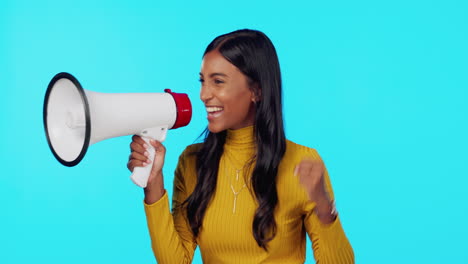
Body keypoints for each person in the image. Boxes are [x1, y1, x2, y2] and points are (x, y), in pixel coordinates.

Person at [127, 29, 354, 264]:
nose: (204, 95)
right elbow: (175, 260)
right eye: (202, 81)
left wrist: (323, 207)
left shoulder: (301, 162)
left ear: (256, 90)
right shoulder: (192, 161)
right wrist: (153, 184)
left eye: (218, 81)